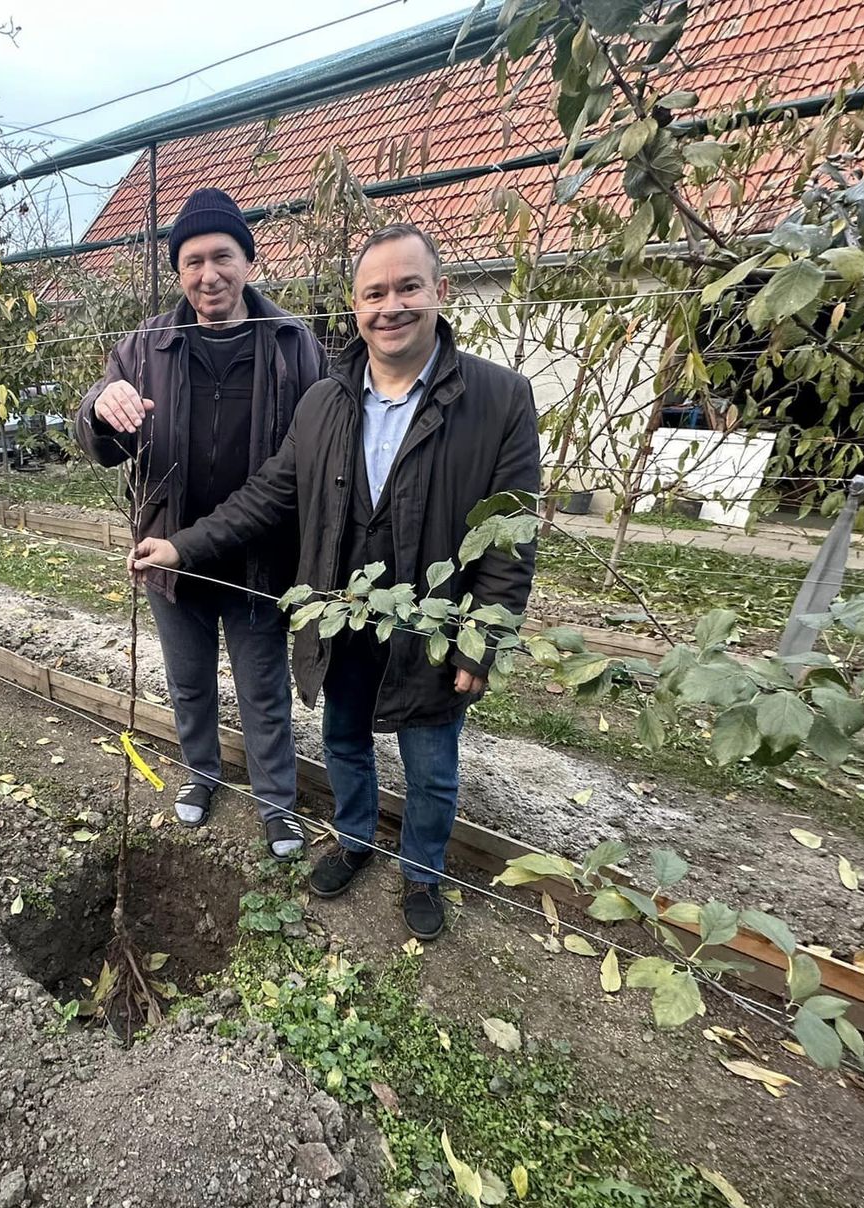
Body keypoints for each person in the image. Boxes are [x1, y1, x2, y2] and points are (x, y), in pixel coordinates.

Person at [129, 223, 542, 940]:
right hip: (342, 612)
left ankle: (422, 873)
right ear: (354, 306)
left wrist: (482, 638)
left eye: (408, 288)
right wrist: (182, 547)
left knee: (430, 766)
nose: (391, 307)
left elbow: (511, 537)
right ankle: (354, 840)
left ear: (440, 292)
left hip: (434, 626)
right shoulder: (326, 400)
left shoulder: (498, 398)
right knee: (344, 740)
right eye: (373, 293)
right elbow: (268, 495)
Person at [76, 187, 327, 858]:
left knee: (262, 690)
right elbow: (99, 440)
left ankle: (277, 805)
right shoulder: (145, 346)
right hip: (169, 554)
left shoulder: (293, 344)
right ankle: (201, 774)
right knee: (188, 684)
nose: (208, 274)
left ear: (248, 261)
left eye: (222, 257)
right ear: (178, 272)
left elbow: (316, 448)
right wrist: (100, 405)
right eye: (192, 261)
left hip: (259, 556)